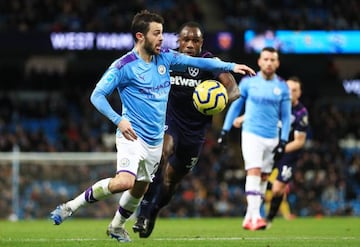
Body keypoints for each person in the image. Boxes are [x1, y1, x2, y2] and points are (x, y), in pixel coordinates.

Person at [49, 10, 255, 243]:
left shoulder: (165, 58)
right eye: (156, 34)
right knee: (125, 182)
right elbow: (97, 96)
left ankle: (116, 226)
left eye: (162, 33)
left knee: (140, 189)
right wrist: (119, 120)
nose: (161, 39)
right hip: (131, 135)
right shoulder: (123, 66)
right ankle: (69, 207)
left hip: (155, 139)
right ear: (140, 36)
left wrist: (231, 66)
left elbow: (197, 61)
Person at [127, 21, 240, 238]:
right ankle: (142, 212)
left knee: (171, 181)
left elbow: (233, 88)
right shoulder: (169, 59)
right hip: (170, 120)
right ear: (178, 41)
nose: (189, 44)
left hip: (195, 132)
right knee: (162, 154)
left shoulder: (210, 63)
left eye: (195, 40)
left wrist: (219, 99)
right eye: (185, 39)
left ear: (201, 43)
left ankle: (154, 211)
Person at [217, 47, 291, 231]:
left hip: (272, 137)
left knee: (265, 177)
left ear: (277, 63)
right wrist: (225, 130)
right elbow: (235, 107)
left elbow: (287, 116)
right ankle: (257, 217)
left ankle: (250, 217)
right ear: (259, 61)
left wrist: (283, 141)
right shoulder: (249, 83)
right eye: (265, 59)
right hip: (251, 134)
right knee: (254, 171)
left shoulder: (282, 86)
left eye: (272, 59)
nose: (269, 63)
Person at [265, 76, 309, 228]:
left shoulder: (301, 113)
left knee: (277, 189)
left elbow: (299, 141)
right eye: (288, 89)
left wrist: (280, 149)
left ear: (300, 93)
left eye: (294, 90)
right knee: (258, 182)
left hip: (288, 155)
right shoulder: (275, 104)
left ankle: (270, 218)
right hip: (269, 150)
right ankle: (253, 214)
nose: (290, 93)